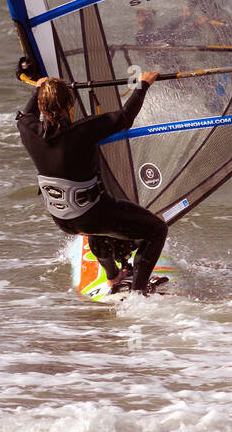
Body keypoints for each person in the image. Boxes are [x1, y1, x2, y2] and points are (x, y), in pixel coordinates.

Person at [16, 67, 169, 294]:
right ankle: (138, 293)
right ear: (70, 105)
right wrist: (142, 84)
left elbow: (24, 115)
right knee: (157, 230)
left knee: (97, 223)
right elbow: (125, 118)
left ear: (40, 105)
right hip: (91, 214)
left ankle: (113, 277)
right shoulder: (83, 131)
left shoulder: (28, 130)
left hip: (62, 218)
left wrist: (37, 89)